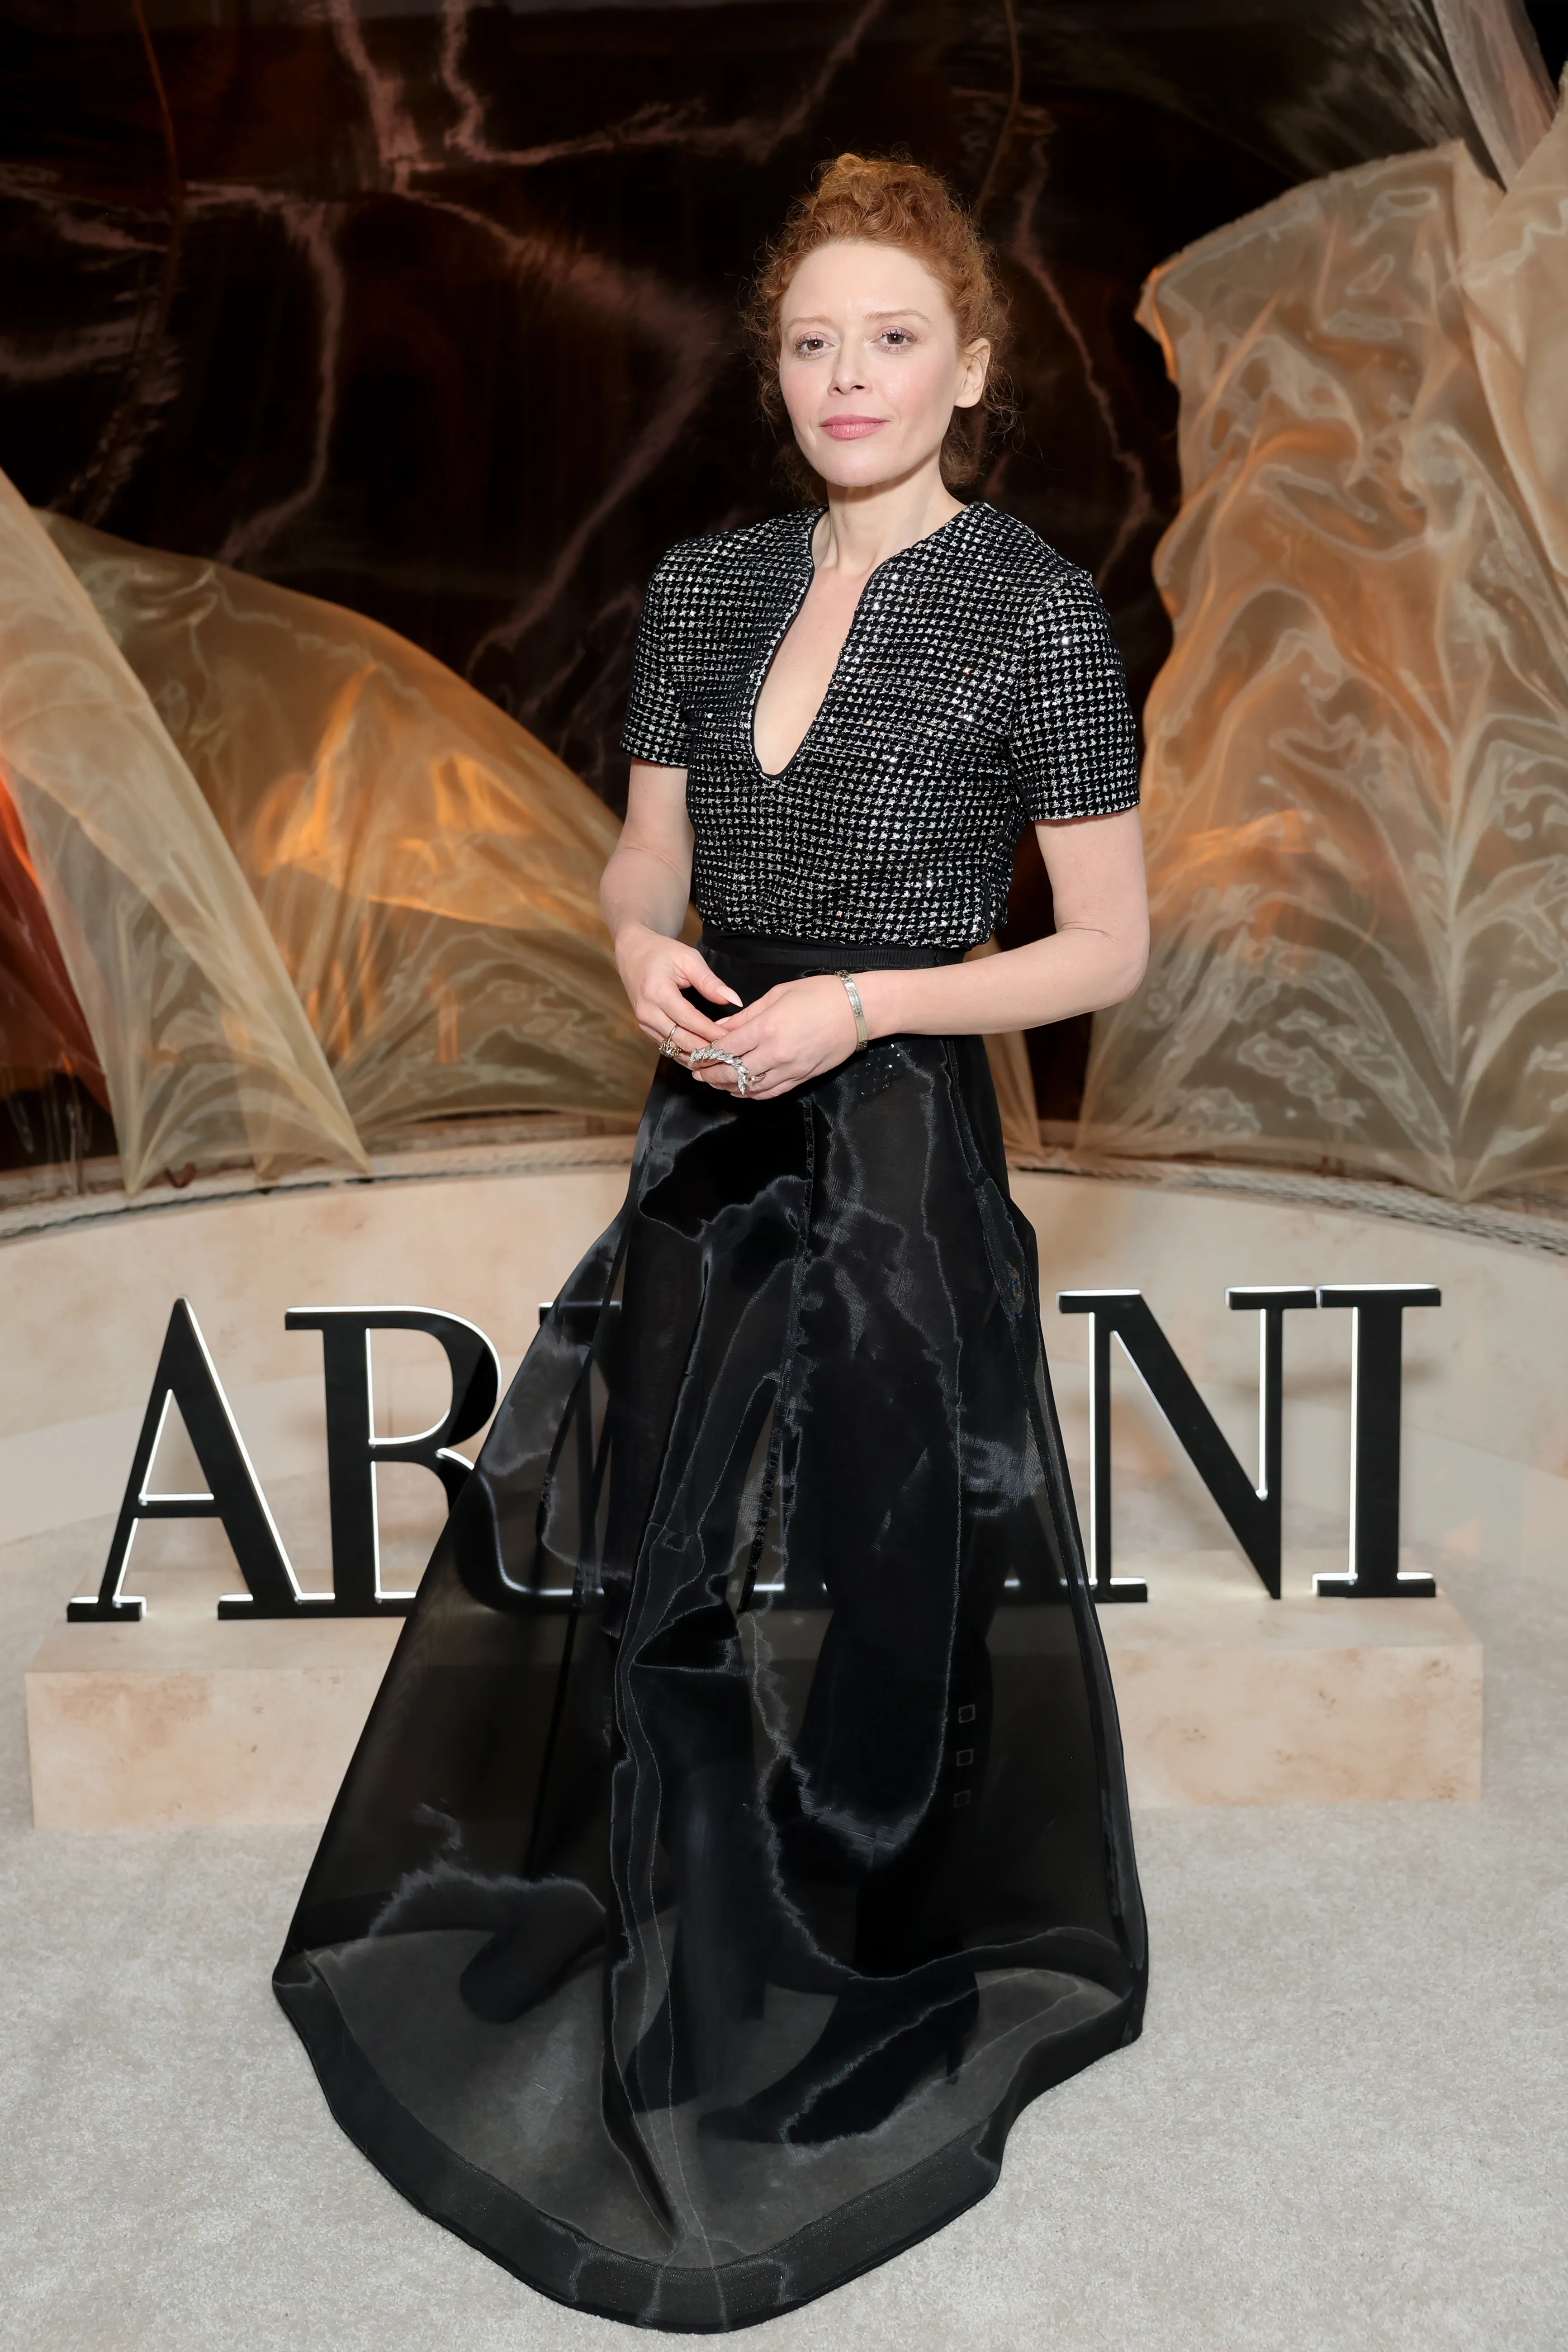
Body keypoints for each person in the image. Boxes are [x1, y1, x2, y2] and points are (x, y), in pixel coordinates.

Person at [274, 153, 1150, 2332]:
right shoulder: (700, 587)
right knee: (654, 1548)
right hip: (702, 1127)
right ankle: (682, 1949)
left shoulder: (1032, 604)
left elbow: (1105, 947)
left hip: (890, 1138)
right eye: (807, 341)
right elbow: (638, 866)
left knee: (885, 1557)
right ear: (773, 372)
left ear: (968, 364)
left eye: (888, 337)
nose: (845, 375)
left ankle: (854, 1959)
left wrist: (859, 1002)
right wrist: (640, 956)